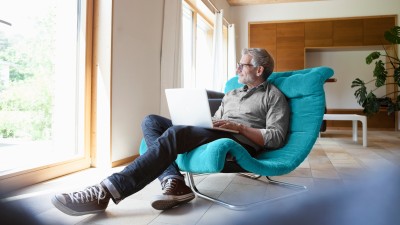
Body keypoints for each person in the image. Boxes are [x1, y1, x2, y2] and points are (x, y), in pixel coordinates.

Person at [51, 48, 290, 216]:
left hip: (239, 140)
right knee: (152, 121)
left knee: (176, 133)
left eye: (243, 64)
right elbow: (218, 120)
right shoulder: (232, 93)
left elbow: (276, 137)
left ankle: (105, 192)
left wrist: (239, 127)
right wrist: (208, 121)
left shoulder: (273, 96)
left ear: (259, 70)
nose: (237, 67)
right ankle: (174, 181)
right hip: (217, 131)